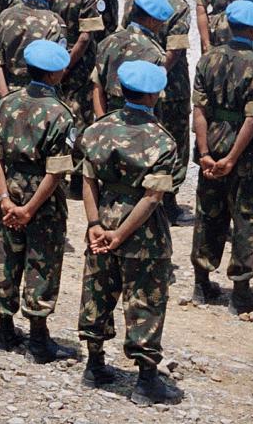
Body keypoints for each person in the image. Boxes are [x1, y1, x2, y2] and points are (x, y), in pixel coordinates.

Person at [76, 60, 181, 405]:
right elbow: (152, 198)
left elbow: (88, 181)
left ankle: (94, 365)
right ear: (154, 95)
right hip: (142, 234)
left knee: (98, 291)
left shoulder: (97, 130)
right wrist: (121, 235)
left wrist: (95, 225)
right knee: (145, 300)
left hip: (102, 219)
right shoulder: (162, 141)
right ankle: (146, 381)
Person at [0, 39, 78, 362]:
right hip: (43, 198)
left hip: (10, 186)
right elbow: (55, 172)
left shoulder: (5, 105)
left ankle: (4, 328)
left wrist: (5, 200)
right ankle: (38, 338)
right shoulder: (61, 115)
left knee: (8, 255)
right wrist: (29, 209)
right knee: (42, 259)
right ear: (56, 74)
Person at [189, 0, 253, 312]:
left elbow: (199, 109)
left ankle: (201, 282)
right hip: (247, 156)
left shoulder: (208, 59)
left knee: (209, 211)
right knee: (246, 216)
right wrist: (233, 158)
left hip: (211, 143)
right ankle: (240, 290)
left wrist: (205, 154)